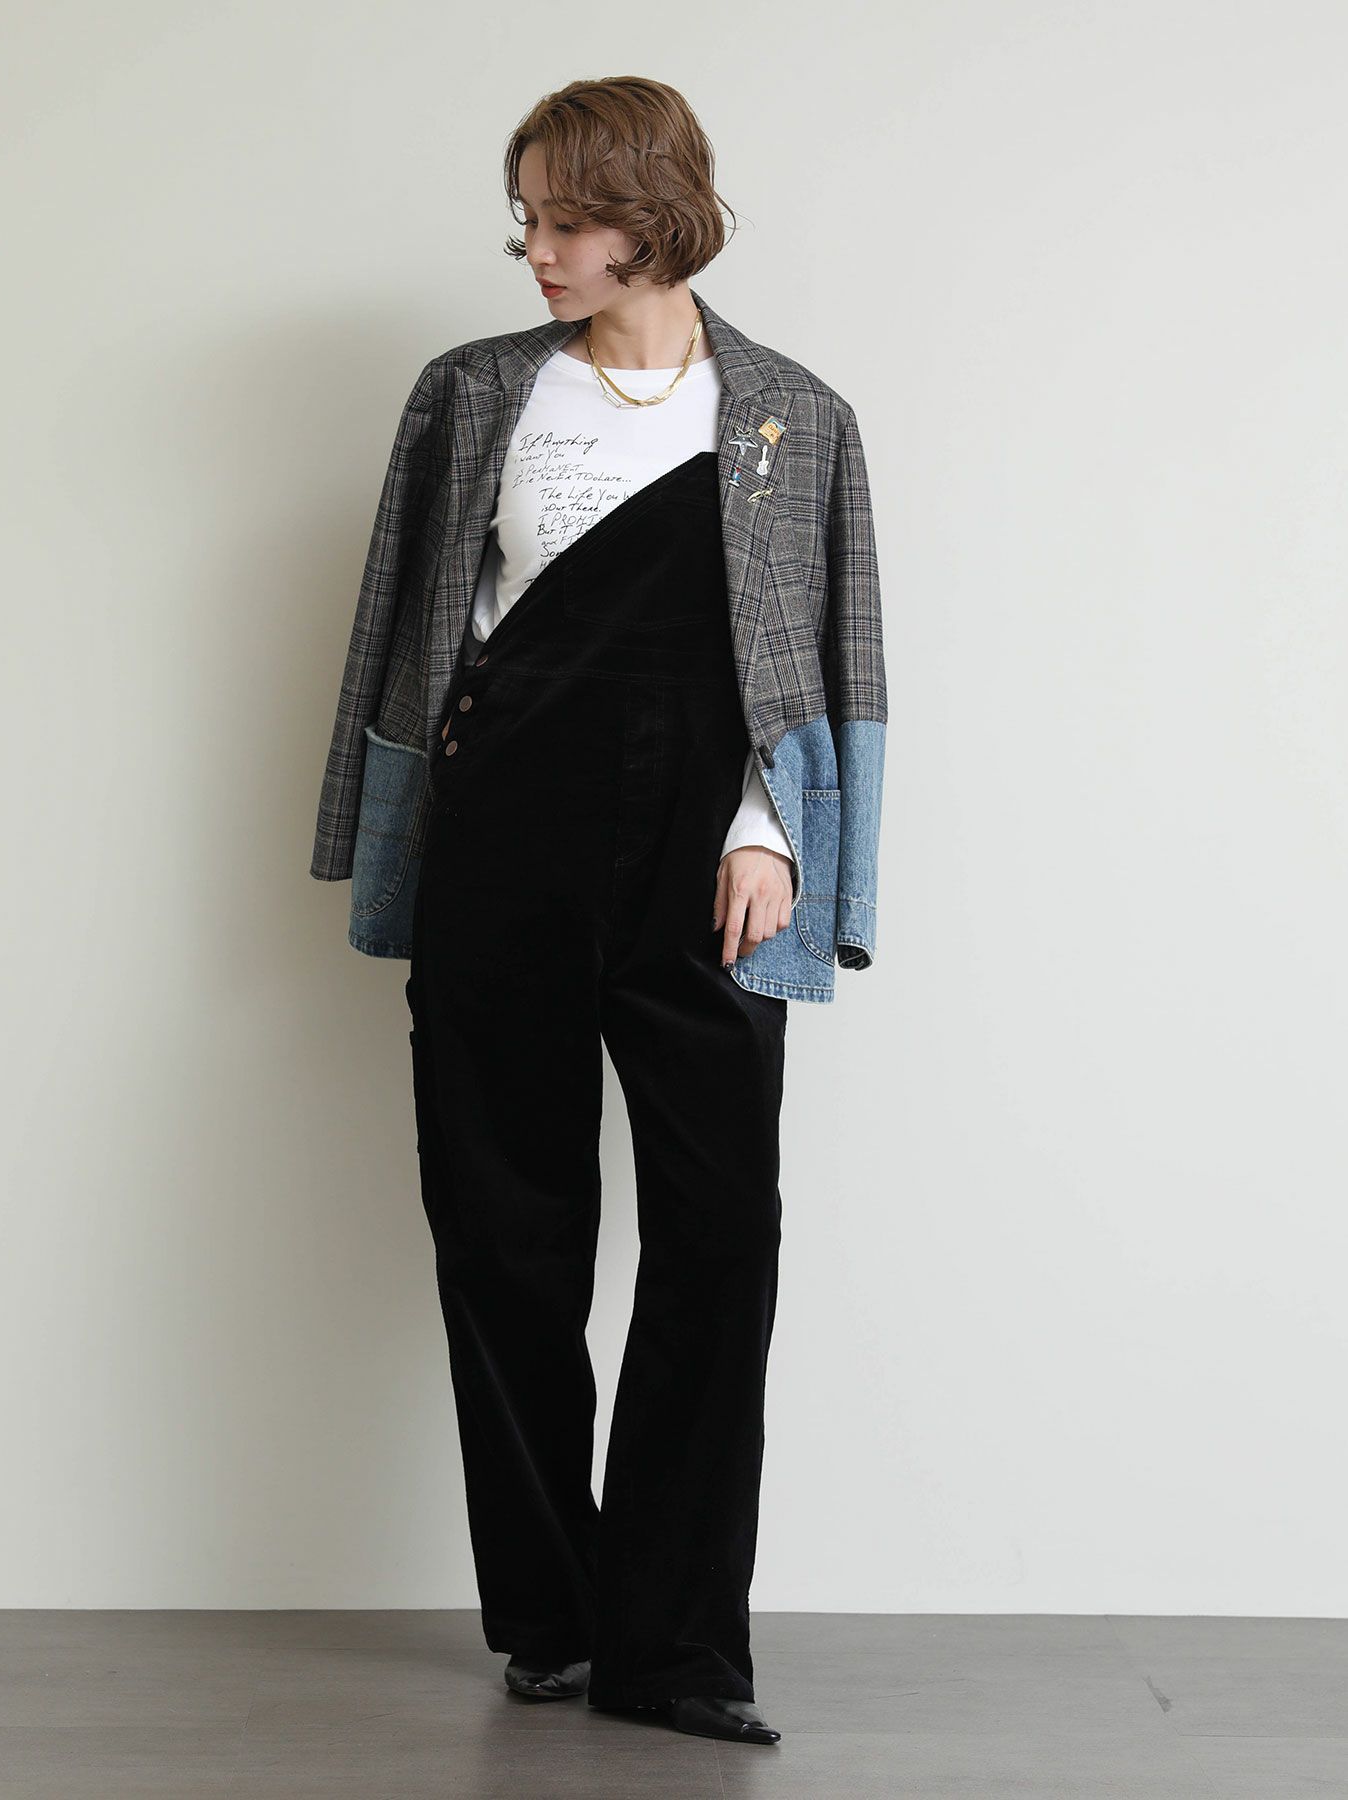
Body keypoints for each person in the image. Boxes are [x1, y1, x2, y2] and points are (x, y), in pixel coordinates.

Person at [310, 76, 888, 1750]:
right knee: (504, 1230)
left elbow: (826, 657)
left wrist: (775, 834)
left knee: (719, 1235)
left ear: (658, 213)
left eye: (569, 219)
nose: (539, 251)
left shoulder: (793, 415)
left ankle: (679, 1646)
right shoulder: (474, 392)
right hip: (504, 844)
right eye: (529, 220)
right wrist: (393, 834)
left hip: (712, 872)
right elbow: (407, 629)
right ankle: (552, 1618)